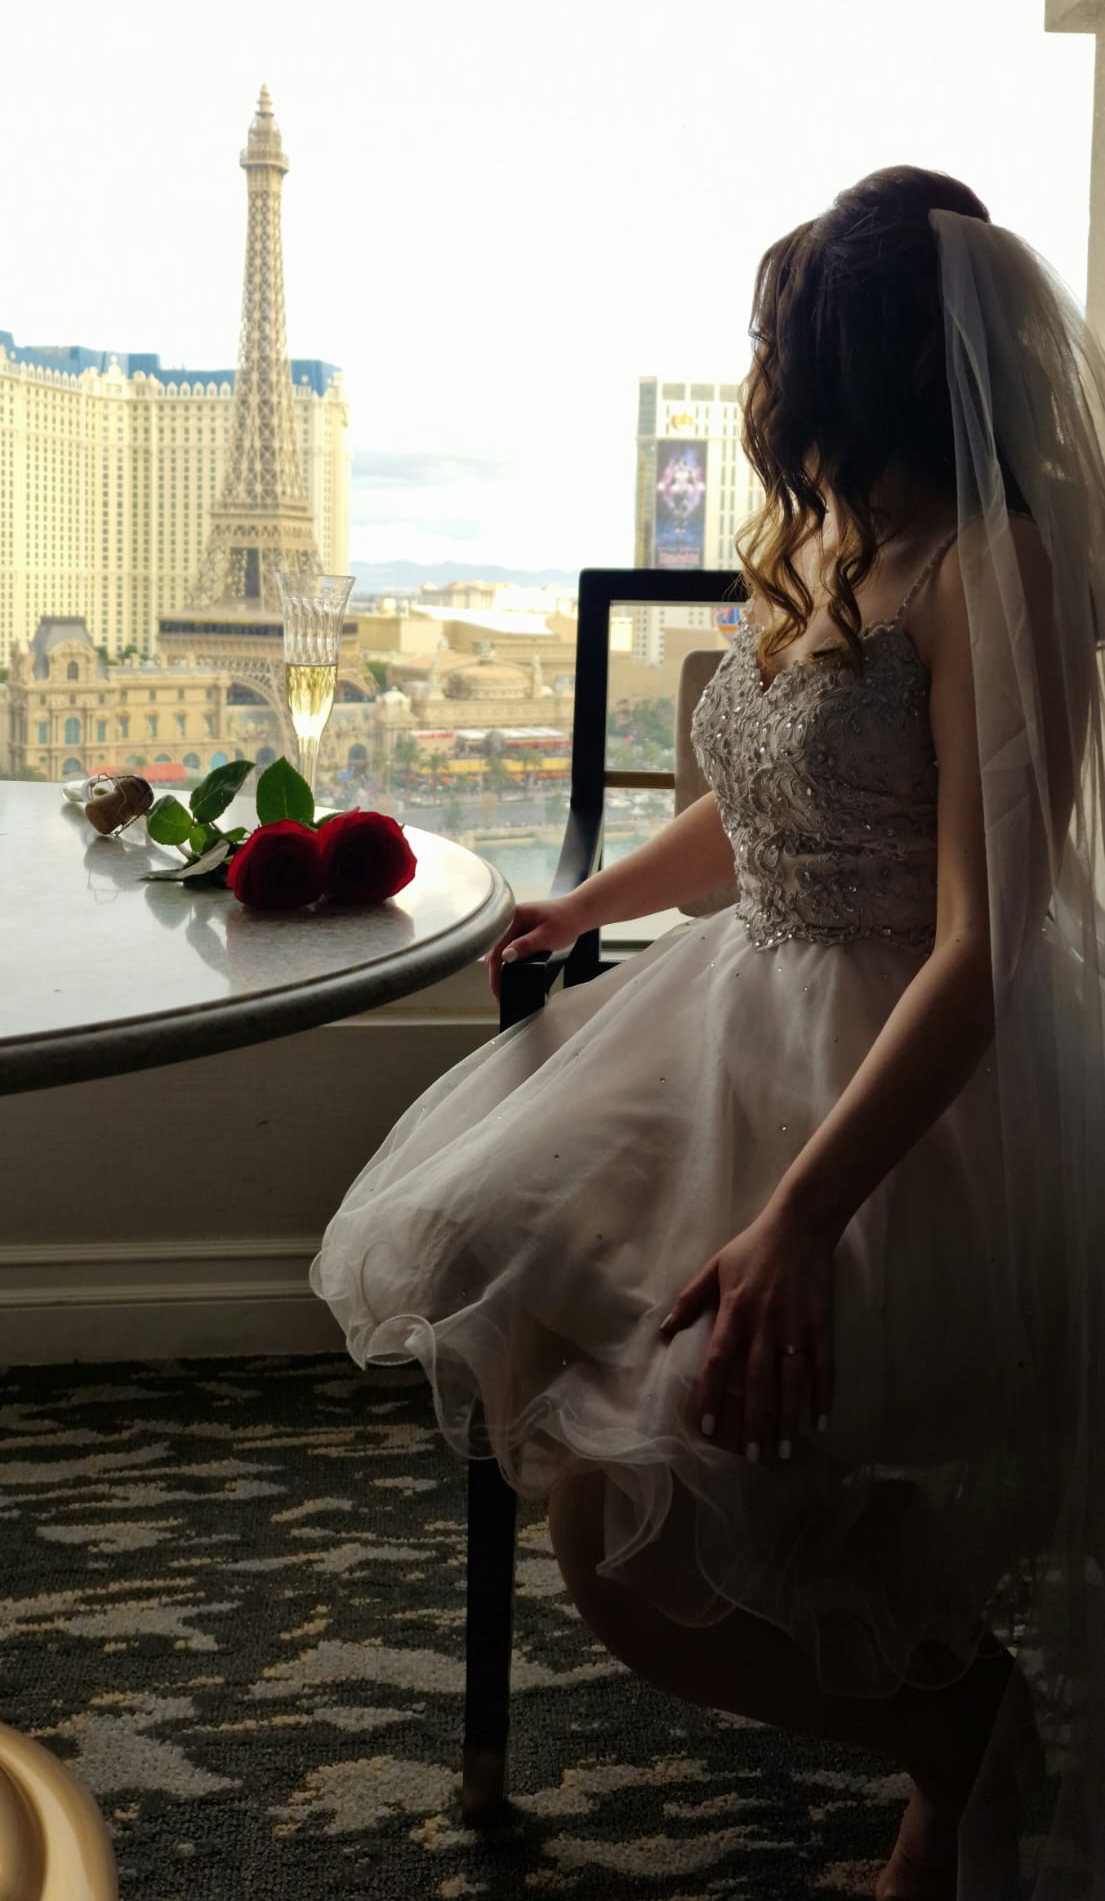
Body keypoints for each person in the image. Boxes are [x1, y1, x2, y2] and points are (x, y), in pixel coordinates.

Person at [310, 165, 1105, 1899]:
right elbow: (757, 809)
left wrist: (800, 1220)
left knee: (632, 1532)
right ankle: (950, 1753)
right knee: (552, 1351)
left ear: (859, 357)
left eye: (778, 336)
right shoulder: (837, 544)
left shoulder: (997, 570)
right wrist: (586, 908)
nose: (756, 370)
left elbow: (976, 947)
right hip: (730, 1010)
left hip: (893, 1087)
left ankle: (967, 1737)